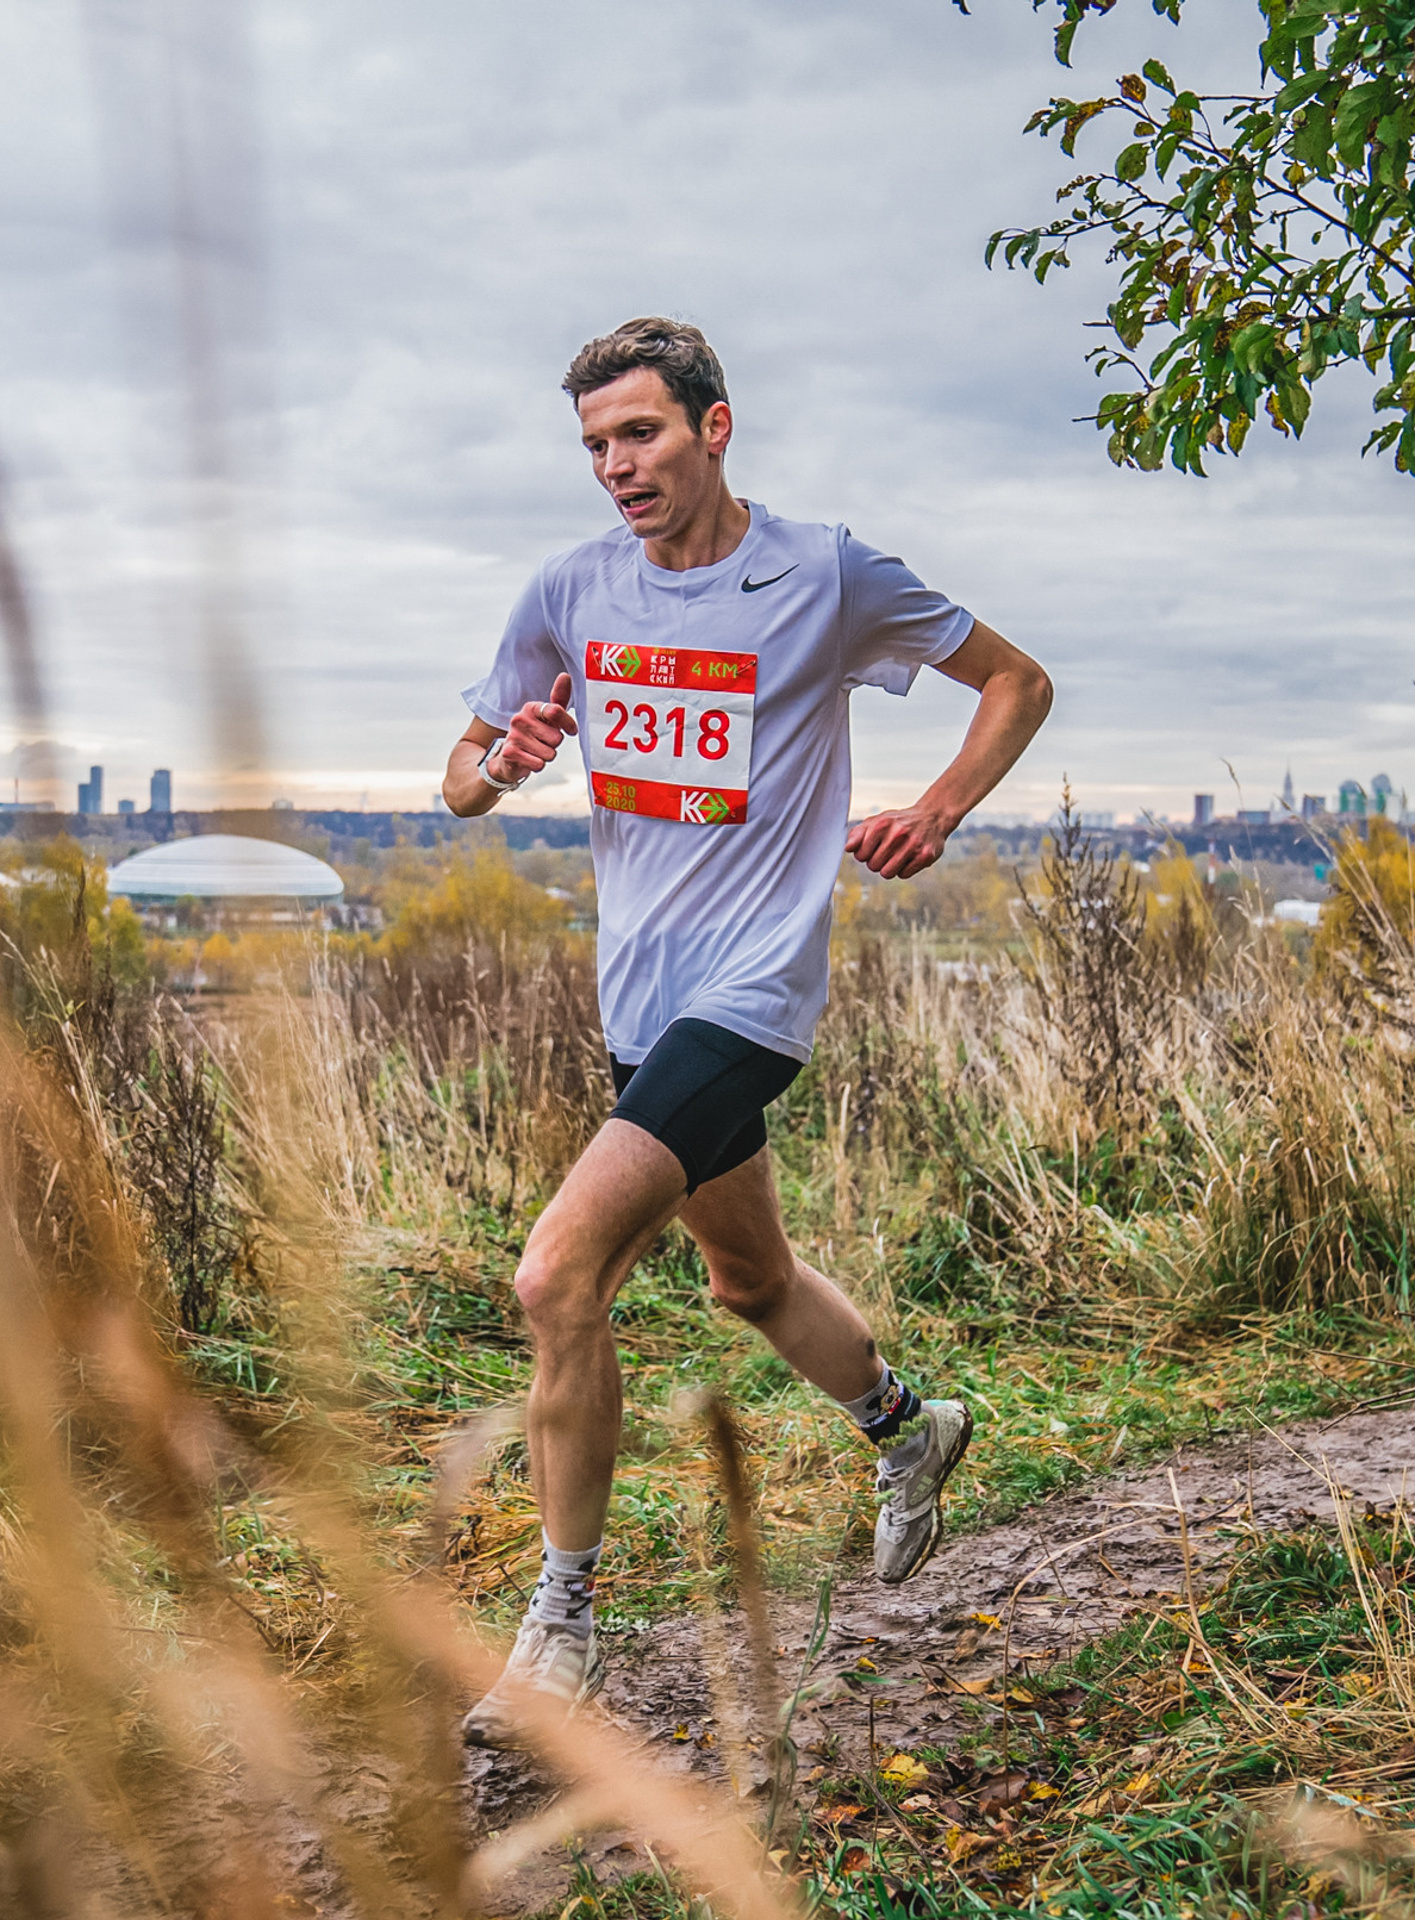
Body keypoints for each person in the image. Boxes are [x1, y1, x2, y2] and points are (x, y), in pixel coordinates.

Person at [442, 318, 1053, 1750]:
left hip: (755, 994)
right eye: (596, 445)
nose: (617, 467)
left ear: (715, 430)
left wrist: (938, 807)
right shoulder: (570, 589)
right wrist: (504, 762)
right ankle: (909, 1427)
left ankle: (562, 1622)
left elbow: (1016, 682)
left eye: (641, 434)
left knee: (556, 1274)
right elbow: (463, 777)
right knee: (748, 1279)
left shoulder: (823, 574)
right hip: (640, 1004)